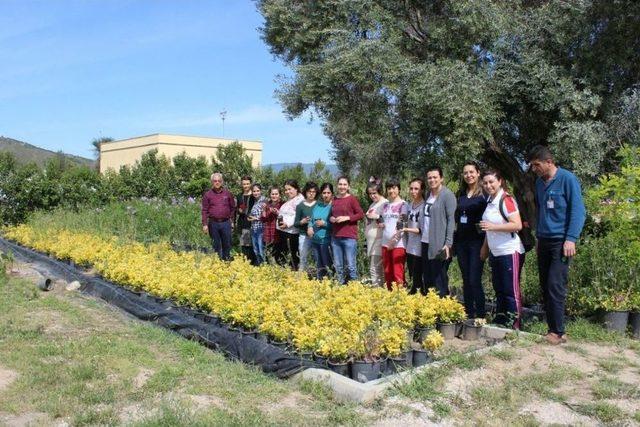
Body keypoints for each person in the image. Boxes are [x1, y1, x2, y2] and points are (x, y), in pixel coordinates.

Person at [528, 145, 586, 344]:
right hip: (544, 240)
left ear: (549, 162)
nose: (534, 169)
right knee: (546, 286)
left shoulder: (568, 179)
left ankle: (558, 332)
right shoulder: (539, 183)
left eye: (537, 165)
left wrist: (571, 238)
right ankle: (554, 328)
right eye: (532, 165)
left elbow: (578, 211)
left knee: (555, 285)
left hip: (561, 242)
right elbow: (541, 213)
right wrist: (538, 238)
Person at [479, 169, 525, 329]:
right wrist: (485, 248)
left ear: (499, 181)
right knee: (499, 289)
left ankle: (514, 325)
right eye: (485, 183)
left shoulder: (506, 199)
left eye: (491, 182)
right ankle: (500, 321)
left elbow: (517, 225)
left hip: (509, 251)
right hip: (495, 252)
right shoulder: (490, 201)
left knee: (510, 291)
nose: (488, 185)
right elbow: (488, 229)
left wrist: (493, 226)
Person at [455, 161, 488, 318]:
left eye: (471, 172)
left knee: (475, 279)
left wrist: (485, 245)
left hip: (477, 242)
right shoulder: (461, 193)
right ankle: (469, 313)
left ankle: (481, 315)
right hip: (461, 242)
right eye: (466, 172)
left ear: (478, 172)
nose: (468, 175)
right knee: (466, 279)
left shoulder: (484, 194)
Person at [421, 166, 456, 296]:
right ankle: (430, 310)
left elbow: (451, 221)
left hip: (439, 244)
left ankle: (442, 309)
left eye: (435, 177)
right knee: (428, 278)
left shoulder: (447, 195)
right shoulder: (428, 195)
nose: (432, 180)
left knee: (439, 279)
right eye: (429, 177)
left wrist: (448, 243)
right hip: (425, 242)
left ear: (441, 178)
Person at [330, 176, 364, 284]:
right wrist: (331, 218)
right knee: (338, 265)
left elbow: (360, 214)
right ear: (337, 185)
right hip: (336, 237)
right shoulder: (334, 199)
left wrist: (347, 218)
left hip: (349, 237)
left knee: (350, 265)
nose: (342, 187)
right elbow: (331, 215)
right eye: (340, 184)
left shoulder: (352, 199)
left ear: (348, 186)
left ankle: (354, 287)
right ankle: (340, 286)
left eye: (344, 184)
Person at [380, 177, 408, 290]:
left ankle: (400, 299)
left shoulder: (404, 205)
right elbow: (383, 219)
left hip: (398, 244)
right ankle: (389, 298)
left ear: (399, 189)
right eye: (389, 188)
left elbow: (403, 224)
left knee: (397, 273)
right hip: (385, 243)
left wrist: (393, 241)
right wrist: (381, 223)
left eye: (394, 188)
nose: (391, 191)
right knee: (387, 272)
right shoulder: (385, 205)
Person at [201, 172, 235, 261]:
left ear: (222, 182)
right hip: (213, 223)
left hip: (226, 223)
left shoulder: (228, 194)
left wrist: (232, 221)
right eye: (215, 181)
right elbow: (204, 210)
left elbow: (232, 208)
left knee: (227, 244)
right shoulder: (207, 195)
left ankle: (226, 262)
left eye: (219, 180)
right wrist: (204, 224)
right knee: (216, 245)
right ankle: (217, 263)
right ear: (212, 182)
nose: (217, 182)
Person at [403, 178, 426, 295]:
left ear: (422, 190)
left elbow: (421, 229)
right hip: (410, 245)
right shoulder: (409, 205)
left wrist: (406, 229)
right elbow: (405, 220)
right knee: (412, 273)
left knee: (418, 275)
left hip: (419, 246)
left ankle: (419, 296)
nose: (413, 191)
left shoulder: (424, 206)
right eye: (411, 188)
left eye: (416, 189)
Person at [276, 179, 304, 270]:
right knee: (284, 255)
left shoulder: (300, 200)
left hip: (291, 233)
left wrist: (287, 224)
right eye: (286, 190)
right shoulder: (291, 200)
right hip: (284, 231)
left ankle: (293, 276)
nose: (287, 192)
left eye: (290, 189)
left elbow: (298, 215)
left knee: (292, 257)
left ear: (296, 189)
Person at [308, 182, 334, 279]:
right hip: (315, 240)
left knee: (327, 265)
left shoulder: (333, 207)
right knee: (319, 265)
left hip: (325, 241)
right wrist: (310, 227)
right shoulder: (318, 205)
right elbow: (311, 219)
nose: (326, 195)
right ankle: (320, 285)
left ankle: (331, 283)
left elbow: (335, 225)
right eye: (324, 193)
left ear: (332, 194)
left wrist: (325, 224)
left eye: (328, 193)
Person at [364, 180, 387, 286]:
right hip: (371, 241)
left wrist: (377, 217)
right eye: (370, 194)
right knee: (377, 268)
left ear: (380, 191)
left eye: (374, 193)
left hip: (379, 240)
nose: (372, 196)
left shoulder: (385, 203)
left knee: (375, 268)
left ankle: (377, 291)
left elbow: (387, 220)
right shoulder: (374, 204)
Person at [294, 182, 319, 274]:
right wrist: (302, 221)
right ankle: (302, 278)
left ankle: (317, 276)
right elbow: (295, 223)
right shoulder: (300, 206)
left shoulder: (319, 204)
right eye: (309, 191)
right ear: (305, 192)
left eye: (313, 191)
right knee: (303, 258)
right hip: (304, 236)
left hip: (316, 235)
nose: (311, 193)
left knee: (317, 257)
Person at [236, 175, 256, 264]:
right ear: (241, 184)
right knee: (244, 245)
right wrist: (239, 210)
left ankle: (252, 263)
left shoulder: (254, 195)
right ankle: (246, 264)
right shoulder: (239, 196)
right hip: (242, 223)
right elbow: (236, 209)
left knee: (252, 245)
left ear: (251, 184)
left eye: (247, 184)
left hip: (252, 223)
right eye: (244, 184)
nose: (246, 186)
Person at [261, 186, 283, 263]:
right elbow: (263, 219)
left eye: (276, 194)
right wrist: (263, 210)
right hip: (268, 233)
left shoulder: (283, 204)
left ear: (280, 195)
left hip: (278, 234)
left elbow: (285, 219)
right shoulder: (267, 204)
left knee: (278, 256)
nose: (274, 196)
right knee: (267, 255)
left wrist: (278, 213)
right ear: (270, 195)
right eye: (272, 194)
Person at [247, 184, 267, 265]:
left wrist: (254, 218)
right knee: (256, 249)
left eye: (257, 191)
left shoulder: (265, 200)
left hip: (261, 229)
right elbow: (249, 216)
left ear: (261, 191)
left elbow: (264, 216)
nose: (256, 193)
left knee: (261, 249)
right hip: (254, 228)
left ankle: (264, 266)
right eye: (254, 191)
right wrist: (252, 218)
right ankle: (259, 266)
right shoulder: (254, 202)